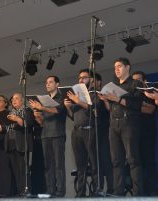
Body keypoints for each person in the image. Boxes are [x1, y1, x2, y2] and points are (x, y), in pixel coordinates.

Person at [99, 58, 144, 196]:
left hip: (129, 124)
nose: (116, 69)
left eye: (119, 66)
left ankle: (138, 194)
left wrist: (116, 99)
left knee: (132, 159)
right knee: (116, 161)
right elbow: (110, 109)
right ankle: (118, 194)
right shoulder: (113, 86)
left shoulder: (135, 83)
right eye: (115, 67)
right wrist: (107, 100)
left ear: (127, 67)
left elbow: (137, 105)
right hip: (113, 124)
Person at [29, 75, 67, 197]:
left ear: (57, 84)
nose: (47, 84)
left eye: (50, 82)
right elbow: (42, 122)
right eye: (46, 82)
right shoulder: (44, 100)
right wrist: (37, 115)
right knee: (48, 165)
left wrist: (42, 107)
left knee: (58, 165)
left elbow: (57, 111)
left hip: (57, 134)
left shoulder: (61, 97)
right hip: (45, 134)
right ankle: (50, 190)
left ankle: (60, 191)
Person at [64, 69, 98, 197]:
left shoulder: (94, 94)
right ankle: (81, 193)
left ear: (91, 80)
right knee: (80, 165)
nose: (81, 80)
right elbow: (73, 117)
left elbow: (94, 111)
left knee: (94, 164)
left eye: (84, 77)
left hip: (90, 130)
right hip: (76, 132)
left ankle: (96, 192)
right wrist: (68, 107)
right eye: (79, 78)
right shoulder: (76, 97)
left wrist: (79, 102)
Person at [132, 71, 157, 196]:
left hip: (147, 132)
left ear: (144, 81)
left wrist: (135, 106)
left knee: (149, 162)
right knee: (136, 163)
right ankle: (139, 191)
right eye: (134, 81)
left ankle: (151, 190)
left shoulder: (150, 94)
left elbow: (151, 110)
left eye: (138, 80)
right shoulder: (132, 95)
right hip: (133, 133)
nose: (136, 83)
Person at [4, 93, 34, 195]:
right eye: (12, 99)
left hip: (22, 143)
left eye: (17, 98)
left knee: (24, 169)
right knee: (16, 170)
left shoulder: (27, 110)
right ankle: (20, 191)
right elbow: (5, 128)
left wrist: (17, 119)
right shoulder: (9, 113)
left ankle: (27, 190)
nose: (14, 100)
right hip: (11, 143)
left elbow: (28, 124)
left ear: (22, 101)